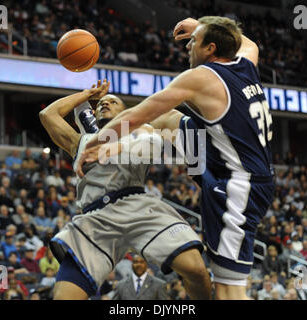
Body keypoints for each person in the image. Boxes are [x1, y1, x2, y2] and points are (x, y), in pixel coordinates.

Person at [77, 16, 274, 300]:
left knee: (229, 292)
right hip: (223, 158)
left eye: (195, 41)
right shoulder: (245, 62)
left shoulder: (201, 77)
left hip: (236, 187)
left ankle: (125, 144)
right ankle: (136, 145)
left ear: (211, 48)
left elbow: (140, 112)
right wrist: (200, 25)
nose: (188, 45)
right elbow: (249, 43)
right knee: (170, 119)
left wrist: (98, 141)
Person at [39, 79, 211, 300]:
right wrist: (87, 94)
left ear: (126, 112)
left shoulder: (143, 129)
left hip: (137, 205)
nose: (105, 103)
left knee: (196, 269)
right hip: (96, 217)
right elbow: (48, 115)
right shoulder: (79, 141)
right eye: (101, 103)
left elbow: (161, 131)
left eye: (112, 101)